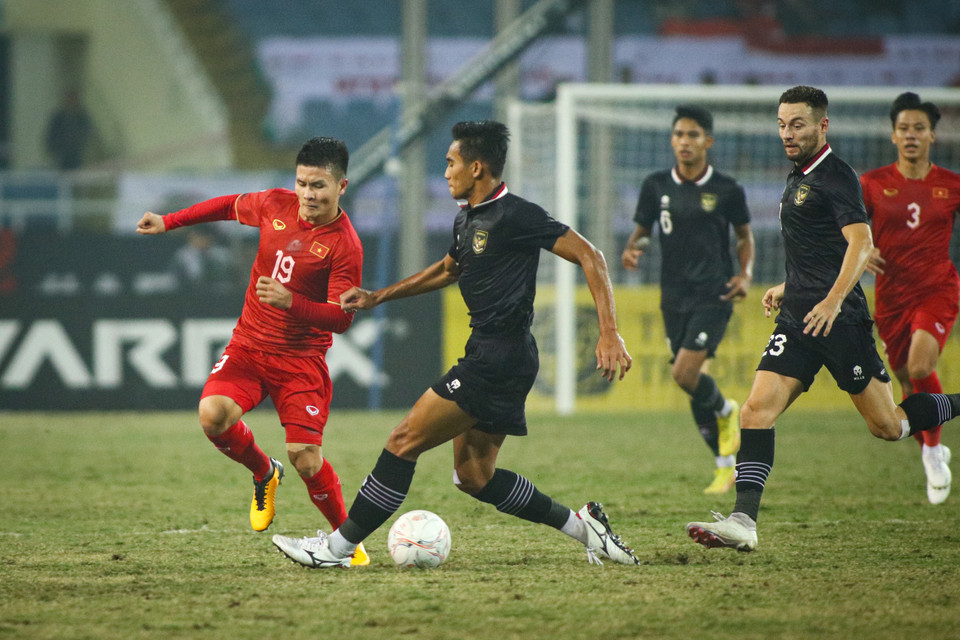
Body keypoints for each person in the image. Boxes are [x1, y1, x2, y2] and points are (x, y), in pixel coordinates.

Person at [272, 120, 638, 568]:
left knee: (403, 440)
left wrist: (608, 331)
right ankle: (586, 528)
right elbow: (448, 270)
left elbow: (591, 255)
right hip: (501, 355)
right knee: (474, 477)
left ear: (477, 167)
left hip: (497, 357)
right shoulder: (468, 217)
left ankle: (336, 550)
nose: (445, 173)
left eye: (450, 163)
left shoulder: (516, 215)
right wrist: (377, 297)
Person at [685, 86, 960, 552]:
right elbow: (819, 252)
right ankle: (743, 522)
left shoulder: (836, 177)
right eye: (781, 124)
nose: (787, 133)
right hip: (797, 321)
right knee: (755, 411)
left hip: (840, 323)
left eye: (797, 124)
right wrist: (787, 287)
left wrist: (833, 301)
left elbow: (859, 244)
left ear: (822, 125)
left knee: (888, 426)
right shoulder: (798, 176)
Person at [136, 137, 370, 565]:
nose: (307, 195)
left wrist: (291, 302)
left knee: (306, 457)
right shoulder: (274, 205)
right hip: (249, 346)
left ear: (342, 186)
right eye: (301, 183)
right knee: (213, 416)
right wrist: (169, 222)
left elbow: (341, 318)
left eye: (318, 186)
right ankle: (264, 472)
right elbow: (226, 206)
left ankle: (345, 542)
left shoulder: (345, 245)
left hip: (301, 361)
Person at [622, 104, 755, 495]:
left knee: (683, 373)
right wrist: (634, 249)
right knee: (690, 379)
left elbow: (745, 237)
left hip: (713, 294)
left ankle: (729, 411)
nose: (685, 142)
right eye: (679, 134)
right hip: (672, 297)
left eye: (693, 135)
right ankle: (723, 464)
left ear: (708, 142)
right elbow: (643, 232)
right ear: (672, 140)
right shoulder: (655, 185)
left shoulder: (727, 190)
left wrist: (745, 274)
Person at [860, 92, 959, 505]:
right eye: (904, 128)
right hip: (891, 297)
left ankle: (934, 453)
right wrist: (862, 251)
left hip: (937, 289)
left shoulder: (951, 186)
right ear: (893, 135)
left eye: (919, 128)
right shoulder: (873, 184)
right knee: (903, 377)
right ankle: (928, 447)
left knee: (921, 364)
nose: (911, 135)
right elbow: (842, 229)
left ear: (933, 135)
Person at [45, 88, 93, 171]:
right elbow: (51, 136)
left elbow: (86, 134)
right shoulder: (58, 118)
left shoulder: (82, 117)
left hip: (77, 155)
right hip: (61, 156)